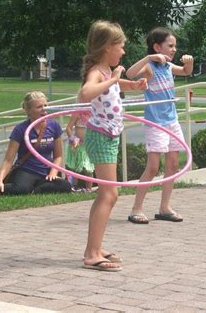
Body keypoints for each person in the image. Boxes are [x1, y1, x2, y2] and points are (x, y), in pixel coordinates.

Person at [79, 20, 147, 272]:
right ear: (108, 47)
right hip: (101, 136)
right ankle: (91, 253)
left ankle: (95, 247)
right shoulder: (98, 71)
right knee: (110, 193)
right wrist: (115, 78)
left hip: (110, 135)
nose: (123, 52)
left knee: (105, 194)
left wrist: (134, 85)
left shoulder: (107, 71)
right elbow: (86, 93)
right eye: (121, 46)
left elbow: (116, 85)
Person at [125, 27, 193, 224]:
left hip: (172, 121)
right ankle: (136, 208)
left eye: (175, 46)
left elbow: (186, 71)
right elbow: (130, 74)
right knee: (153, 167)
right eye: (170, 46)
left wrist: (189, 62)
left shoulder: (169, 67)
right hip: (156, 123)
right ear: (157, 47)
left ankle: (165, 207)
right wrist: (149, 58)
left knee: (172, 163)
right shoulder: (150, 67)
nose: (174, 50)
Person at [0, 91, 72, 197]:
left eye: (46, 106)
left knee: (65, 186)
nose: (44, 110)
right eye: (39, 107)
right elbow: (8, 159)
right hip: (27, 171)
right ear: (28, 110)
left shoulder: (54, 126)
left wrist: (53, 172)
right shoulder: (20, 129)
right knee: (21, 189)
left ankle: (32, 190)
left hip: (46, 172)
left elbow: (58, 156)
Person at [65, 111, 94, 192]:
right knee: (74, 167)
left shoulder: (95, 114)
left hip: (89, 145)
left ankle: (89, 189)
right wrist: (72, 138)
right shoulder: (77, 113)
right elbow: (68, 128)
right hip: (77, 145)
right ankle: (72, 187)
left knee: (89, 168)